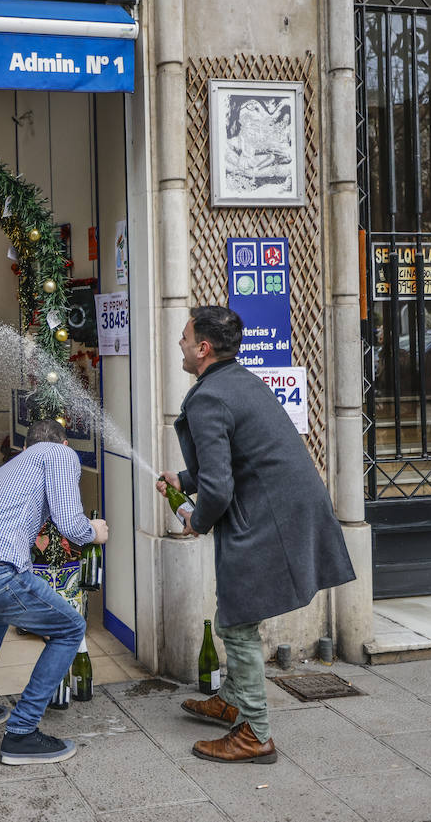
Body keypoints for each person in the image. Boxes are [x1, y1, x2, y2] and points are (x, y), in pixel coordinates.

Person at [157, 306, 355, 764]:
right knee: (237, 611)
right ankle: (232, 700)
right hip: (279, 507)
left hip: (269, 516)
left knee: (237, 622)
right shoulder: (237, 381)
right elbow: (233, 460)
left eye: (185, 338)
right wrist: (185, 481)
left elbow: (222, 485)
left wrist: (197, 520)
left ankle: (254, 733)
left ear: (203, 348)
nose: (181, 345)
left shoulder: (209, 397)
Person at [0, 419, 108, 765]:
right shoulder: (58, 454)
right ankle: (22, 732)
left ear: (24, 448)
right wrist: (94, 531)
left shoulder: (14, 467)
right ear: (65, 445)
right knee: (70, 627)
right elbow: (70, 523)